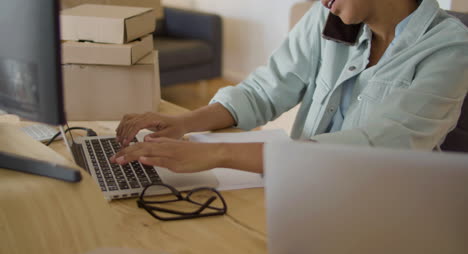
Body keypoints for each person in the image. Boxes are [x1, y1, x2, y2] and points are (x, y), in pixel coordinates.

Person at [111, 0, 468, 174]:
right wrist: (187, 122)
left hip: (385, 208)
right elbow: (265, 91)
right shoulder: (327, 19)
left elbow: (380, 147)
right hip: (304, 185)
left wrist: (218, 153)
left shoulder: (450, 48)